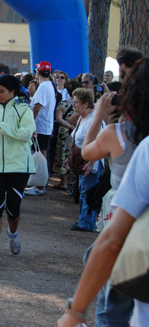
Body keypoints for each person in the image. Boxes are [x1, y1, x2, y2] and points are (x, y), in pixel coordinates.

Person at [58, 59, 149, 327]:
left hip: (125, 214)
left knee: (113, 303)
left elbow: (85, 151)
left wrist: (99, 113)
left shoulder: (118, 133)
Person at [0, 75, 36, 264]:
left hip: (18, 167)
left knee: (13, 208)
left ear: (13, 91)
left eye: (1, 91)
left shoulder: (23, 109)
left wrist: (0, 125)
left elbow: (26, 134)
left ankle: (12, 234)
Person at [69, 88, 103, 232]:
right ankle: (83, 221)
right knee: (83, 191)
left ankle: (87, 223)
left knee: (88, 192)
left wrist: (91, 163)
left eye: (76, 102)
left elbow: (99, 143)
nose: (73, 105)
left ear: (86, 104)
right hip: (82, 161)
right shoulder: (82, 118)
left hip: (91, 163)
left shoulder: (94, 120)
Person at [25, 61, 56, 196]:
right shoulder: (48, 86)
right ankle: (40, 184)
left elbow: (37, 106)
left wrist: (30, 124)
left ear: (38, 72)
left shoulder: (44, 87)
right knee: (40, 154)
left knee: (39, 155)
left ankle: (40, 185)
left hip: (40, 126)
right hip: (44, 126)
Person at [52, 80, 81, 190]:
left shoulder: (63, 103)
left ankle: (63, 182)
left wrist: (69, 126)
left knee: (63, 155)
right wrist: (74, 127)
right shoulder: (82, 105)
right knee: (75, 155)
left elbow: (58, 118)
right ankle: (75, 181)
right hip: (77, 132)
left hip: (64, 133)